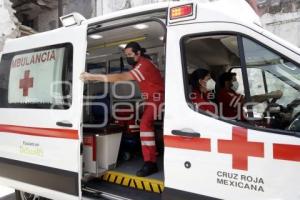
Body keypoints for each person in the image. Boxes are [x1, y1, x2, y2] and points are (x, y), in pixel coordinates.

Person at [80, 42, 164, 177]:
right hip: (152, 99)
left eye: (130, 55)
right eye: (126, 55)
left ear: (138, 53)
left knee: (144, 125)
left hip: (156, 98)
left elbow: (121, 77)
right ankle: (153, 153)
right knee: (145, 125)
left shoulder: (143, 65)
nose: (128, 57)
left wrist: (92, 76)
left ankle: (151, 162)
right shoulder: (146, 62)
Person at [217, 72, 282, 121]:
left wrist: (269, 95)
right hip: (236, 123)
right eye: (234, 80)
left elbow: (250, 98)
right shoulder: (224, 94)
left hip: (242, 120)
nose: (236, 82)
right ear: (227, 82)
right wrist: (270, 95)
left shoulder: (232, 92)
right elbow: (248, 101)